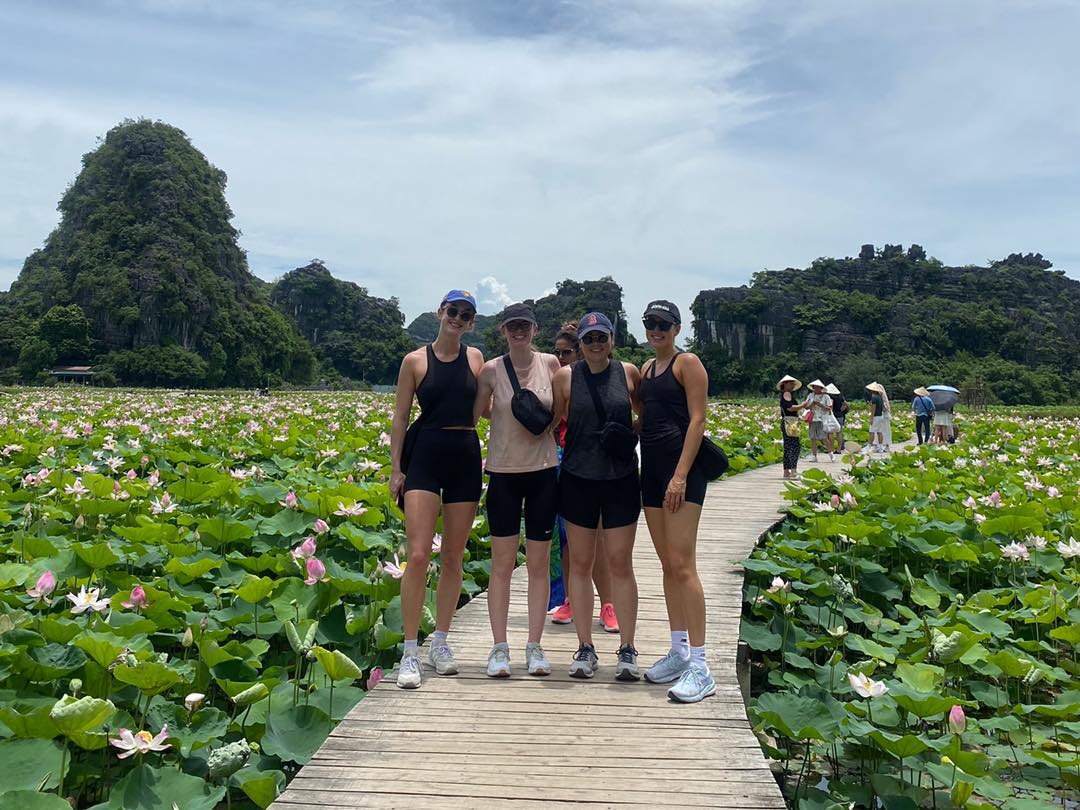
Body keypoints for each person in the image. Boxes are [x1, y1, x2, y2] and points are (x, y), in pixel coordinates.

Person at [390, 290, 484, 689]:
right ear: (439, 312)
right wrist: (396, 468)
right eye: (452, 311)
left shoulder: (476, 358)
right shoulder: (415, 360)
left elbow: (491, 403)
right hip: (426, 454)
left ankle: (440, 641)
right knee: (416, 554)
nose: (457, 319)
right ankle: (410, 650)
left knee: (453, 557)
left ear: (471, 322)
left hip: (465, 453)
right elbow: (399, 416)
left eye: (465, 315)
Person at [551, 312, 642, 681]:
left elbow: (646, 415)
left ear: (612, 339)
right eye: (588, 339)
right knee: (581, 563)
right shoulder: (564, 377)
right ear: (579, 345)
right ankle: (585, 646)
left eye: (601, 337)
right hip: (578, 477)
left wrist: (628, 435)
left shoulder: (629, 372)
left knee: (621, 562)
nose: (595, 344)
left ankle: (628, 648)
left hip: (620, 477)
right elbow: (554, 421)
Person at [473, 304, 561, 677]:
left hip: (542, 472)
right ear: (503, 332)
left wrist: (542, 426)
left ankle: (535, 646)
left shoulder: (552, 365)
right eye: (512, 327)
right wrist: (508, 419)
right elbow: (479, 410)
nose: (519, 332)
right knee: (502, 565)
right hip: (503, 474)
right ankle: (499, 648)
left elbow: (561, 408)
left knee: (539, 565)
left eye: (524, 326)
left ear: (535, 329)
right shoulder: (491, 370)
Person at [637, 301, 715, 703]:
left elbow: (698, 419)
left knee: (684, 565)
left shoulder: (688, 364)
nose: (656, 330)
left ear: (677, 328)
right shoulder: (647, 370)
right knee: (668, 564)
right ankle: (679, 649)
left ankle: (701, 666)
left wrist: (680, 476)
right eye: (650, 323)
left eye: (663, 324)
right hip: (650, 472)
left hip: (682, 473)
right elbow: (645, 417)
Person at [549, 323, 619, 635]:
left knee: (600, 539)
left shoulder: (606, 378)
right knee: (567, 540)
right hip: (568, 462)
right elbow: (552, 420)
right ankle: (570, 599)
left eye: (567, 352)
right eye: (557, 352)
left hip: (602, 464)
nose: (561, 357)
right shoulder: (560, 380)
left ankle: (608, 603)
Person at [803, 380, 837, 462]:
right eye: (814, 387)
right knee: (813, 438)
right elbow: (806, 407)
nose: (816, 388)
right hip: (812, 419)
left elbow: (830, 409)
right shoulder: (810, 395)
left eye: (818, 387)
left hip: (822, 419)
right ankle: (814, 456)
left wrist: (820, 404)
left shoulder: (826, 397)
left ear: (821, 388)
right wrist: (813, 404)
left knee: (824, 438)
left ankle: (831, 454)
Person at [778, 375, 805, 479]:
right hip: (790, 423)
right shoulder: (787, 393)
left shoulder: (785, 394)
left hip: (786, 422)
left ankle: (786, 472)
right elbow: (791, 408)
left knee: (788, 446)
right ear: (785, 384)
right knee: (795, 446)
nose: (793, 385)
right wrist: (803, 405)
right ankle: (793, 471)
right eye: (791, 383)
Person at [865, 382, 892, 453]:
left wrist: (871, 418)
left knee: (872, 432)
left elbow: (873, 409)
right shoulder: (880, 397)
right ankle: (880, 447)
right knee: (880, 432)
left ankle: (869, 446)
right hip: (881, 416)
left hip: (876, 416)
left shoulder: (874, 397)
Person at [825, 383, 848, 451]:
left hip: (833, 416)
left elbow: (830, 407)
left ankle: (831, 448)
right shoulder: (840, 396)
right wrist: (841, 410)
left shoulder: (830, 396)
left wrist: (830, 414)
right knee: (839, 432)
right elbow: (845, 404)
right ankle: (839, 449)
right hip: (840, 415)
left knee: (830, 432)